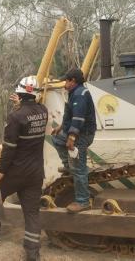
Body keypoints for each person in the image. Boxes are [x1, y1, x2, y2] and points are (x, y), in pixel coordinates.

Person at [0, 76, 48, 261]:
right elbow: (30, 114)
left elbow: (9, 148)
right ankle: (32, 253)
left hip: (16, 171)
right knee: (31, 212)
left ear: (19, 94)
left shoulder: (15, 117)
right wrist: (20, 105)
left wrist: (1, 171)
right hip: (36, 172)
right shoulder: (43, 111)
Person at [51, 68, 96, 213]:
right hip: (79, 132)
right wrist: (61, 127)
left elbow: (78, 118)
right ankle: (69, 165)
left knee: (79, 169)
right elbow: (70, 115)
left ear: (73, 81)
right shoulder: (74, 93)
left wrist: (71, 137)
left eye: (66, 80)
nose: (64, 83)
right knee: (57, 138)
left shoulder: (80, 95)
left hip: (82, 135)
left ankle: (83, 201)